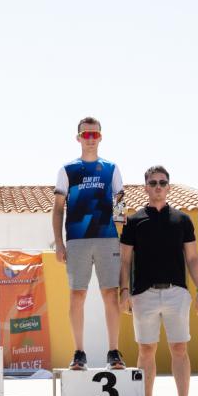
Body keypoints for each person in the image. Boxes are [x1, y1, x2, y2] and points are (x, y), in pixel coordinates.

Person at [119, 165, 198, 396]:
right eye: (153, 183)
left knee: (179, 348)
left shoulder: (182, 220)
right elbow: (124, 261)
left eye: (162, 183)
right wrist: (124, 291)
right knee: (146, 350)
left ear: (168, 187)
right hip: (143, 294)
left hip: (176, 293)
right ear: (146, 187)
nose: (158, 187)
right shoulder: (134, 221)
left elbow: (193, 258)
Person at [52, 116, 126, 371]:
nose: (90, 139)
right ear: (78, 137)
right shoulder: (67, 170)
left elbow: (120, 207)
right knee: (77, 294)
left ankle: (114, 351)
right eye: (86, 134)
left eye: (94, 134)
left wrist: (122, 239)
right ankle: (79, 352)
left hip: (107, 238)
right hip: (77, 240)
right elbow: (58, 208)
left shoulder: (111, 168)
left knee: (110, 294)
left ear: (101, 137)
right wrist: (59, 244)